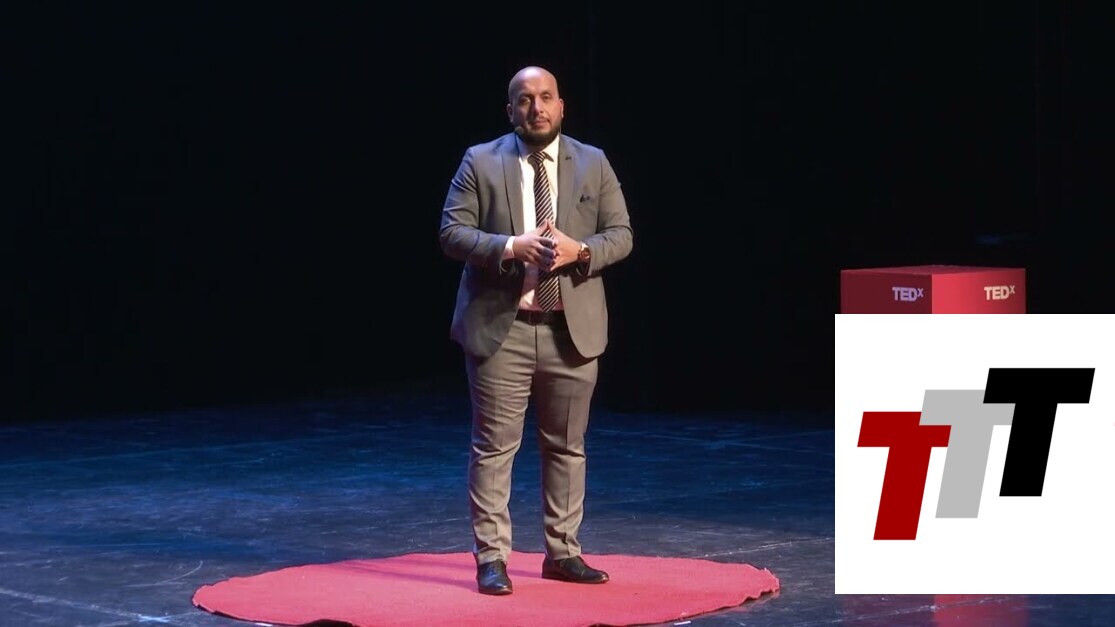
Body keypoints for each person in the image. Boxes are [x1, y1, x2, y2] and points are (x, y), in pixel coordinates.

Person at [439, 65, 634, 595]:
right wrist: (510, 246)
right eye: (525, 99)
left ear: (561, 105)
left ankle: (563, 553)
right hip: (502, 330)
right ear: (511, 110)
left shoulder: (593, 162)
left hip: (571, 330)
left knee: (567, 446)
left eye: (546, 97)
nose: (537, 107)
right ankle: (492, 558)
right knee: (494, 448)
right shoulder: (481, 160)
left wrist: (581, 250)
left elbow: (621, 234)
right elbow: (452, 232)